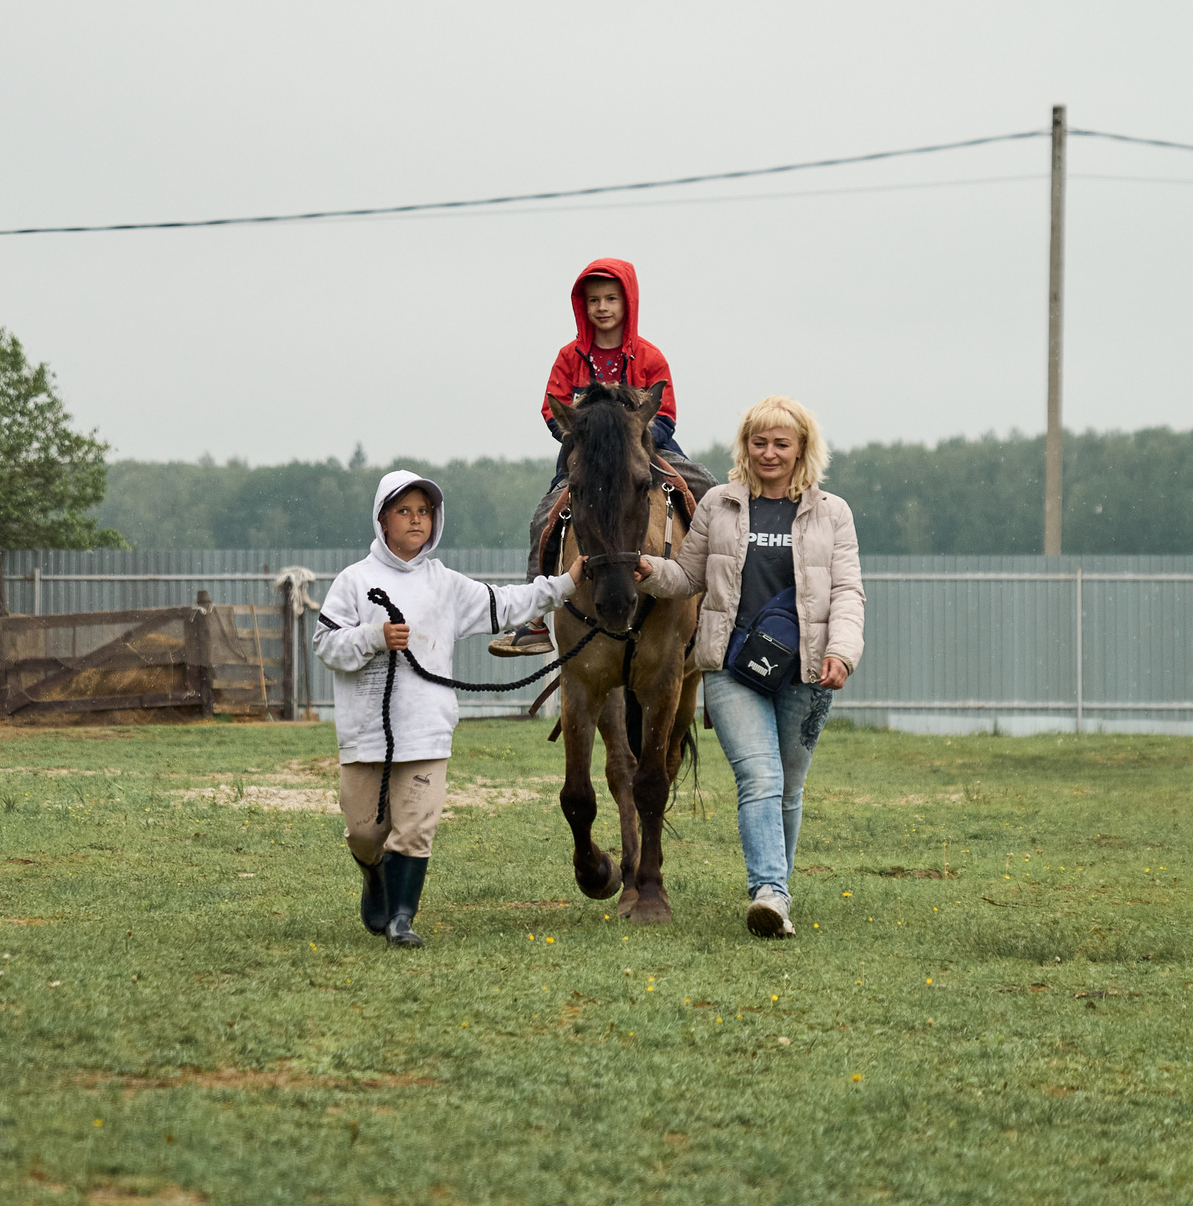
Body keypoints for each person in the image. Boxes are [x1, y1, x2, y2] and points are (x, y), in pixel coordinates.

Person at [312, 470, 573, 947]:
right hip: (367, 731)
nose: (417, 520)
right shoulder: (354, 581)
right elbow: (326, 644)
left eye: (425, 512)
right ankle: (374, 875)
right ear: (382, 520)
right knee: (364, 833)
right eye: (405, 511)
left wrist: (567, 584)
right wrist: (373, 638)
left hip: (427, 730)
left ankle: (401, 921)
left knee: (415, 830)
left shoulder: (447, 585)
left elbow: (508, 603)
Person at [638, 395, 863, 939]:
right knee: (759, 779)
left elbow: (847, 591)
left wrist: (843, 652)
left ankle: (775, 891)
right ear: (746, 446)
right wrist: (646, 570)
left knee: (788, 787)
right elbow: (687, 577)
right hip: (730, 666)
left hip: (805, 671)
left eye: (781, 443)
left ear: (802, 448)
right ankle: (770, 891)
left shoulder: (831, 512)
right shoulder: (718, 504)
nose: (769, 453)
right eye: (759, 442)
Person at [493, 256, 717, 652]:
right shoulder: (569, 357)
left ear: (627, 302)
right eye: (594, 300)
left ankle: (717, 605)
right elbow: (552, 406)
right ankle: (533, 619)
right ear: (583, 305)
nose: (602, 307)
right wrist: (577, 436)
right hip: (587, 456)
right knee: (543, 518)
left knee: (710, 494)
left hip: (647, 449)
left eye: (611, 298)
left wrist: (636, 437)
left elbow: (665, 413)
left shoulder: (649, 356)